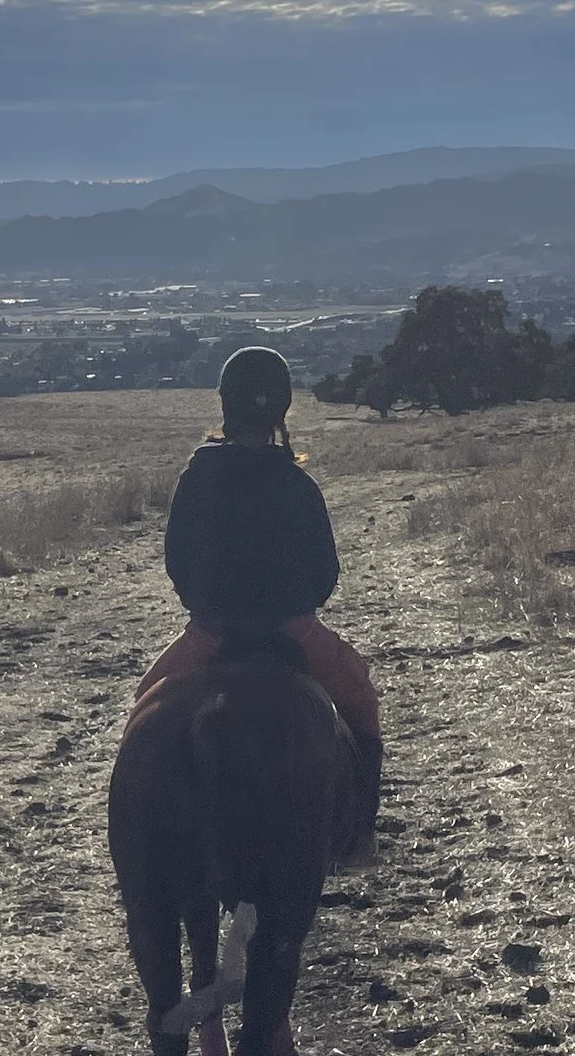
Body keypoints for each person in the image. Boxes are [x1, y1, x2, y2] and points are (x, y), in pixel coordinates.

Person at [132, 344, 385, 858]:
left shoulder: (196, 480)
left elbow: (178, 563)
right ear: (281, 409)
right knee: (360, 701)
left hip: (212, 631)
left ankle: (144, 837)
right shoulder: (296, 482)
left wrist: (208, 606)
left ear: (225, 404)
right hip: (292, 628)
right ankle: (359, 832)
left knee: (146, 703)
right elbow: (324, 574)